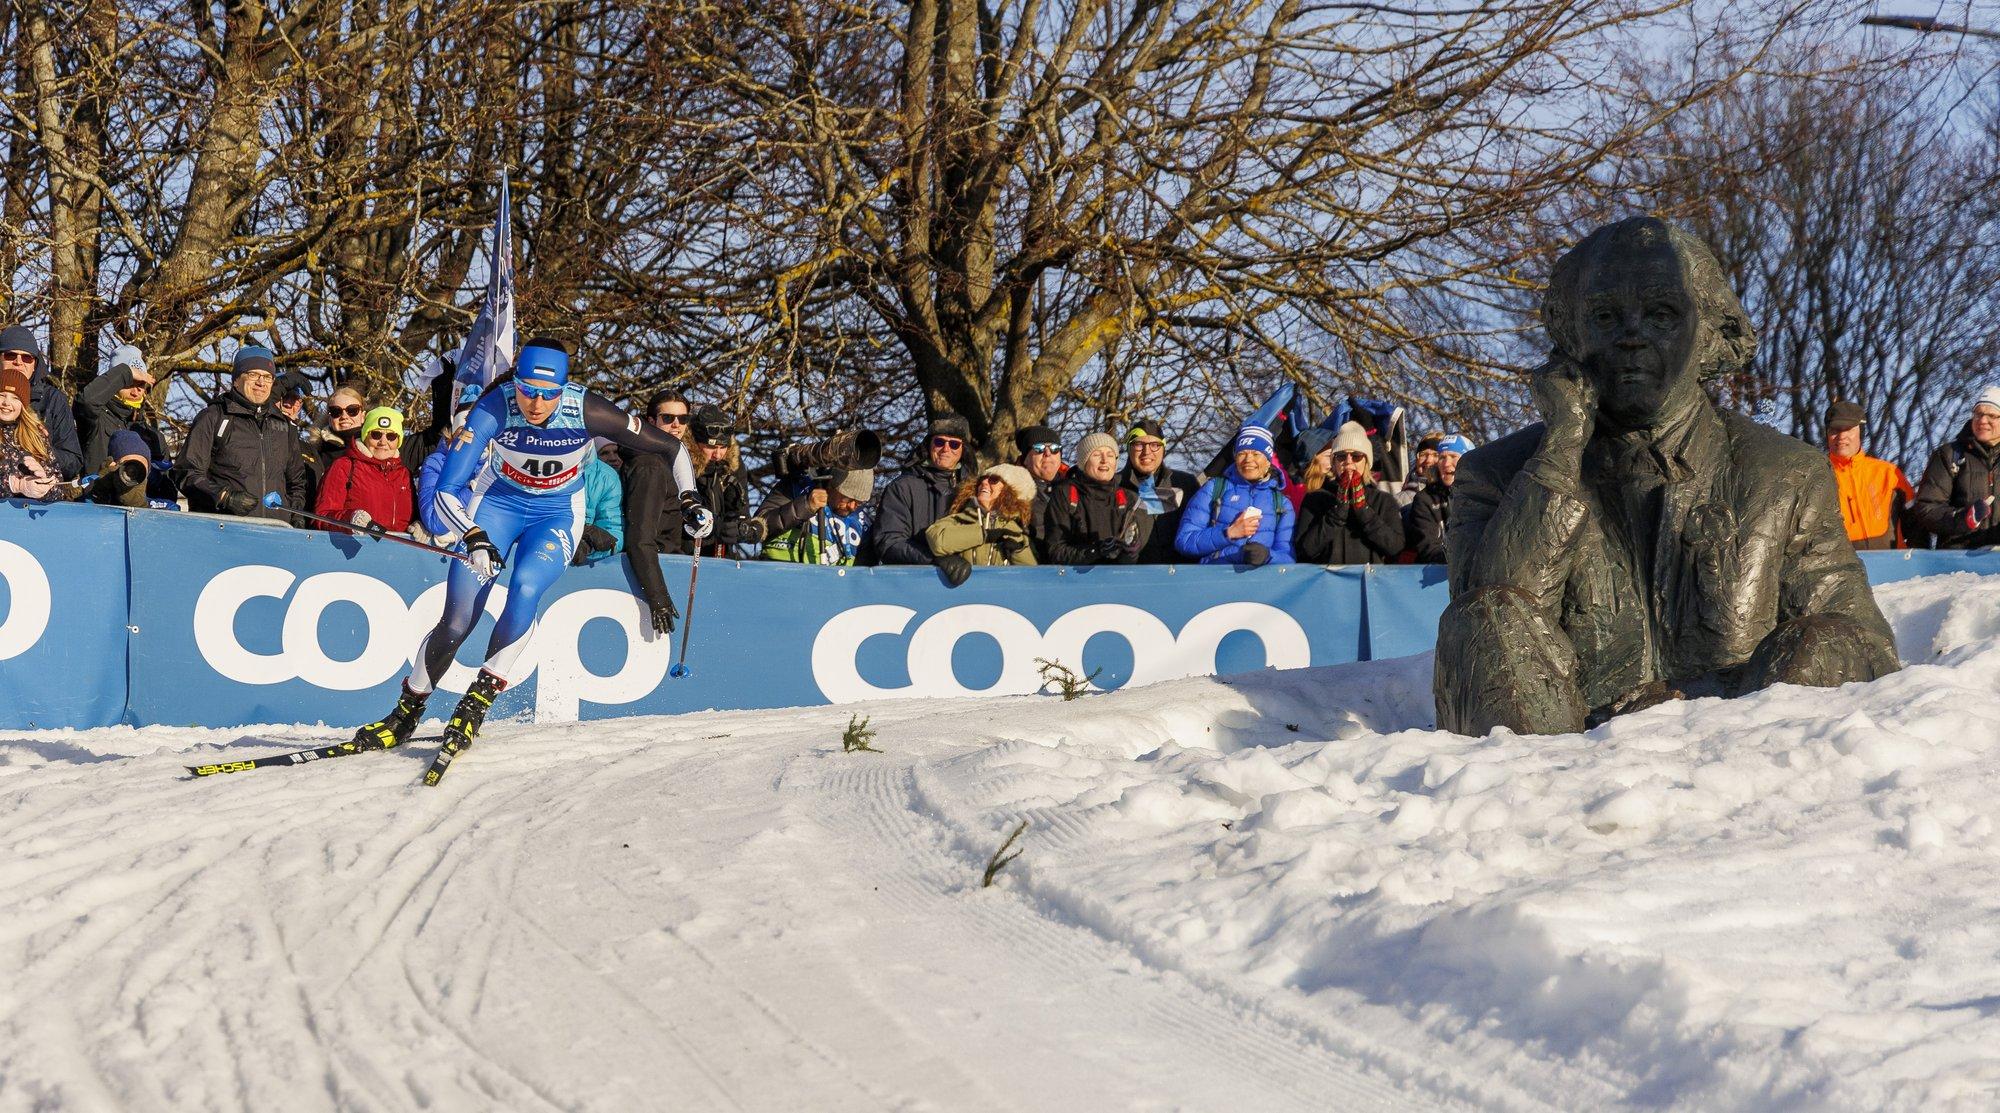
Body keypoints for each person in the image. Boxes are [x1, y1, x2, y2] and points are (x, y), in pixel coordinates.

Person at [1434, 217, 1896, 736]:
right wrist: (1559, 453)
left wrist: (1688, 702)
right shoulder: (1493, 475)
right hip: (1557, 784)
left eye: (1660, 314)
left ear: (1709, 334)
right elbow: (1488, 643)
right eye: (1606, 317)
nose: (1632, 337)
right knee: (1487, 612)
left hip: (1741, 762)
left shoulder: (1785, 475)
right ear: (1569, 333)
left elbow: (1863, 648)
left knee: (1827, 639)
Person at [351, 337, 707, 765]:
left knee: (524, 589)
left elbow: (672, 447)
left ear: (563, 388)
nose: (536, 403)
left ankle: (474, 706)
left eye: (548, 393)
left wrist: (689, 499)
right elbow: (446, 490)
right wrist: (473, 535)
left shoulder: (589, 409)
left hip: (556, 513)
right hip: (497, 505)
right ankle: (404, 715)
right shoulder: (492, 409)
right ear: (515, 381)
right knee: (459, 616)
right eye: (527, 390)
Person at [177, 345, 309, 523]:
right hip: (224, 531)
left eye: (267, 377)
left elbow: (297, 482)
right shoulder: (214, 417)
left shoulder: (283, 425)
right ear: (236, 380)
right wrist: (224, 496)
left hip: (277, 532)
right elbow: (186, 473)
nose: (261, 383)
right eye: (253, 374)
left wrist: (295, 516)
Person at [1175, 425, 1295, 566]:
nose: (1248, 459)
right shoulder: (1214, 488)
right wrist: (1228, 533)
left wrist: (1268, 556)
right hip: (1213, 582)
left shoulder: (1282, 504)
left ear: (1268, 461)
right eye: (1242, 453)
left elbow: (1288, 558)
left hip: (1260, 585)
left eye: (1256, 454)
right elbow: (1184, 541)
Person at [1295, 422, 1406, 565]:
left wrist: (1364, 511)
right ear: (1334, 463)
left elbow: (1395, 548)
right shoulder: (1315, 499)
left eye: (1356, 456)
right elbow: (1304, 550)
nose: (1348, 462)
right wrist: (1336, 515)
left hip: (1370, 583)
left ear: (1366, 461)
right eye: (1341, 456)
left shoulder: (1383, 500)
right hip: (1327, 583)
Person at [872, 414, 972, 565]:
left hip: (967, 582)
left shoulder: (973, 491)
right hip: (913, 583)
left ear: (963, 450)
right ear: (928, 445)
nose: (946, 449)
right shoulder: (902, 487)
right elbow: (889, 542)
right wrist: (933, 560)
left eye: (954, 444)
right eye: (939, 442)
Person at [1039, 431, 1152, 564]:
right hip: (1075, 581)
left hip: (1117, 581)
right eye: (1097, 455)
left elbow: (1133, 562)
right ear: (1084, 462)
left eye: (1110, 455)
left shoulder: (1129, 499)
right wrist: (1094, 551)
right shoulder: (1065, 495)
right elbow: (1056, 551)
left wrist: (1130, 552)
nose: (1104, 460)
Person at [1908, 389, 2000, 550]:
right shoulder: (1949, 455)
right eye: (1978, 414)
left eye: (1991, 416)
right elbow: (1927, 508)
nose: (1982, 420)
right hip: (1956, 562)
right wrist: (1964, 518)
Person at [924, 463, 1039, 585]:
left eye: (993, 480)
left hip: (1001, 598)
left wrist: (1018, 551)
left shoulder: (1017, 531)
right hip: (961, 595)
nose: (984, 483)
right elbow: (936, 540)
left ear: (1010, 491)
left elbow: (1032, 578)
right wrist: (983, 534)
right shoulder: (960, 519)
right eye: (982, 479)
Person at [1822, 400, 1913, 551]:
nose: (1842, 436)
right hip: (1841, 570)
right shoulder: (1818, 479)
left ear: (1861, 431)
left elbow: (1917, 523)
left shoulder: (1888, 473)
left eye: (1849, 429)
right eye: (1835, 430)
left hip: (1895, 568)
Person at [315, 406, 416, 536]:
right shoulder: (345, 466)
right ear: (365, 436)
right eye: (376, 434)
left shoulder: (404, 474)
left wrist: (419, 524)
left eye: (391, 436)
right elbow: (321, 517)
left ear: (398, 441)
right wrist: (350, 520)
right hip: (355, 550)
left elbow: (413, 516)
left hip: (398, 552)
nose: (383, 442)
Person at [0, 324, 82, 479]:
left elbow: (73, 461)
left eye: (27, 357)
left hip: (38, 496)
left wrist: (37, 456)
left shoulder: (53, 400)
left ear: (35, 365)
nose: (19, 362)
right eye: (10, 355)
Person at [1117, 418, 1197, 563]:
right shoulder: (1114, 486)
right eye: (1139, 445)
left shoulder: (1186, 483)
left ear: (1163, 449)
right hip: (1130, 578)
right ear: (1129, 448)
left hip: (1180, 576)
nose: (1147, 452)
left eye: (1155, 445)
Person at [76, 344, 168, 469]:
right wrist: (127, 372)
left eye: (140, 385)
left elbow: (167, 478)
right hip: (98, 488)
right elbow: (86, 402)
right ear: (118, 382)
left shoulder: (152, 435)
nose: (135, 391)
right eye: (129, 383)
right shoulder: (96, 419)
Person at [761, 468, 875, 565]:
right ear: (832, 485)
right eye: (848, 499)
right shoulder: (798, 489)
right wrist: (805, 506)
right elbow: (759, 527)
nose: (852, 506)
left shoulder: (863, 523)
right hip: (781, 573)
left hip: (834, 587)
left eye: (859, 502)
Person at [689, 405, 752, 557]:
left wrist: (739, 529)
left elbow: (743, 513)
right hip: (684, 552)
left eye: (723, 447)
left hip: (720, 554)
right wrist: (715, 526)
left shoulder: (732, 466)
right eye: (711, 447)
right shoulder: (681, 463)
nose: (718, 454)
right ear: (696, 443)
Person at [1406, 433, 1473, 564]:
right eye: (1442, 458)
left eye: (1453, 456)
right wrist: (1458, 558)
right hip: (1436, 575)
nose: (1446, 463)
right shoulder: (1425, 499)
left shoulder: (1484, 495)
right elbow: (1428, 548)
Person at [0, 361, 60, 502]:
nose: (6, 403)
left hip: (28, 520)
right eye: (2, 395)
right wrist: (14, 485)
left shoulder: (37, 434)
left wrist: (43, 486)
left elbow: (59, 489)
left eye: (15, 398)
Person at [573, 450, 624, 565]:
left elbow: (614, 530)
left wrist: (589, 546)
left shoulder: (605, 476)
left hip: (580, 569)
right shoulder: (529, 471)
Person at [85, 429, 155, 508]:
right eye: (128, 465)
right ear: (113, 467)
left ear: (148, 471)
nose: (132, 472)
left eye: (140, 466)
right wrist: (100, 491)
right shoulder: (87, 496)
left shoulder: (165, 508)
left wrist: (139, 504)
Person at [1283, 427, 1337, 513]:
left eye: (1334, 456)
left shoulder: (1333, 488)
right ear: (1312, 459)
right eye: (1328, 456)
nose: (1333, 461)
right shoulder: (1290, 489)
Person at [1401, 432, 1445, 508]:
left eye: (1436, 455)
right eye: (1423, 454)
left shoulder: (1457, 495)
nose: (1428, 460)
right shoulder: (1399, 500)